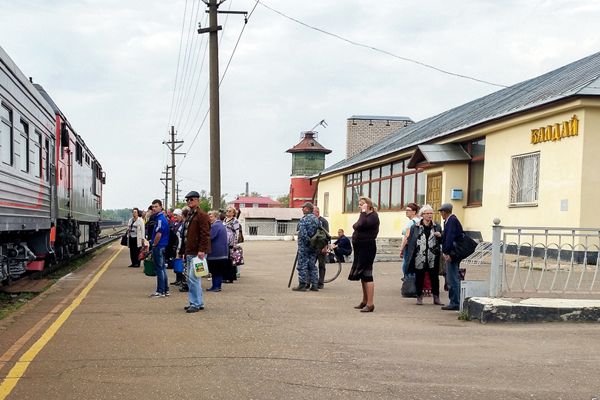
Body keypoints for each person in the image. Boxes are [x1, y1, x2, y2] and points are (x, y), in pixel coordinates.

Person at [405, 204, 444, 306]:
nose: (430, 215)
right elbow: (411, 241)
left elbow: (442, 240)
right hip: (420, 256)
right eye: (427, 213)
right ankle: (419, 297)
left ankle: (436, 297)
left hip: (433, 256)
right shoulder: (415, 227)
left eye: (431, 213)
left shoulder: (437, 226)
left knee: (434, 277)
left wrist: (440, 236)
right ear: (422, 215)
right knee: (419, 277)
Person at [179, 191, 211, 313]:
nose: (189, 202)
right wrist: (183, 251)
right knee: (193, 278)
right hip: (190, 251)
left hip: (197, 252)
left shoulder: (202, 215)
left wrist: (202, 250)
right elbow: (185, 234)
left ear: (198, 200)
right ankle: (198, 302)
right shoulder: (190, 215)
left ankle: (195, 303)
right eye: (187, 200)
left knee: (193, 278)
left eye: (191, 199)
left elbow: (205, 234)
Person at [348, 197, 380, 312]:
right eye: (359, 204)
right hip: (360, 248)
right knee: (362, 275)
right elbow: (355, 226)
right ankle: (365, 300)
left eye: (362, 204)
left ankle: (370, 303)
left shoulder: (373, 216)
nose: (359, 206)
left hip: (367, 248)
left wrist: (363, 213)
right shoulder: (366, 216)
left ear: (368, 205)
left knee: (367, 275)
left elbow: (359, 225)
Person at [439, 203, 463, 311]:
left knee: (452, 278)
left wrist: (446, 253)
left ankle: (455, 302)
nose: (441, 214)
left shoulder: (451, 221)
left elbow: (450, 238)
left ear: (444, 212)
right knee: (452, 277)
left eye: (441, 212)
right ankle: (455, 301)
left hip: (453, 254)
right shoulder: (449, 220)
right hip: (453, 253)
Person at [292, 202, 320, 292]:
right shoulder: (316, 219)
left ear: (307, 209)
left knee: (302, 265)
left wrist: (308, 242)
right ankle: (314, 284)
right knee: (312, 265)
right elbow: (320, 232)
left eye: (303, 207)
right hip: (314, 246)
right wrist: (313, 243)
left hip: (304, 246)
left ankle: (302, 284)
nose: (302, 209)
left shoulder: (304, 219)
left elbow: (303, 234)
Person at [149, 199, 170, 298]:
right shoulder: (161, 217)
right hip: (162, 245)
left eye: (156, 206)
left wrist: (154, 244)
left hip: (159, 246)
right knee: (162, 268)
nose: (154, 208)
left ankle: (160, 290)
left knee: (159, 269)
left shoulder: (160, 219)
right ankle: (165, 290)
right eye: (153, 206)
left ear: (161, 207)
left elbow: (159, 234)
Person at [206, 210, 229, 292]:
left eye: (211, 216)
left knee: (215, 270)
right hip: (222, 253)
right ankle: (217, 286)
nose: (209, 218)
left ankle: (215, 286)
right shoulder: (221, 225)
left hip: (216, 253)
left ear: (216, 217)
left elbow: (210, 237)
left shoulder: (215, 226)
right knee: (218, 271)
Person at [399, 203, 421, 276]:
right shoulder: (419, 220)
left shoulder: (411, 222)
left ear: (414, 212)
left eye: (408, 210)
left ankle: (408, 281)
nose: (406, 211)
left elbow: (406, 237)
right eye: (406, 210)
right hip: (417, 247)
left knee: (406, 266)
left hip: (409, 247)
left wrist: (401, 249)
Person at [223, 206, 241, 283]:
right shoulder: (224, 219)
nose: (228, 212)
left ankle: (230, 278)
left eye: (230, 211)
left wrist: (235, 244)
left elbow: (237, 233)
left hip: (231, 242)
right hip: (224, 241)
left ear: (233, 213)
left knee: (231, 260)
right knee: (225, 260)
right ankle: (225, 276)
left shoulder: (235, 221)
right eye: (227, 211)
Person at [314, 206, 329, 289]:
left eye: (313, 212)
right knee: (312, 264)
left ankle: (321, 282)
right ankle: (312, 281)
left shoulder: (323, 221)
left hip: (321, 246)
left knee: (321, 265)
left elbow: (327, 235)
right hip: (313, 247)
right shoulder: (312, 221)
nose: (312, 214)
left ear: (317, 212)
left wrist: (325, 247)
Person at [170, 208, 185, 286]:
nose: (175, 217)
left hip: (180, 245)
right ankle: (177, 279)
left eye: (176, 215)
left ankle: (182, 279)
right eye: (174, 215)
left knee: (180, 263)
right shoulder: (173, 224)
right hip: (175, 245)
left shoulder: (182, 224)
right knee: (176, 262)